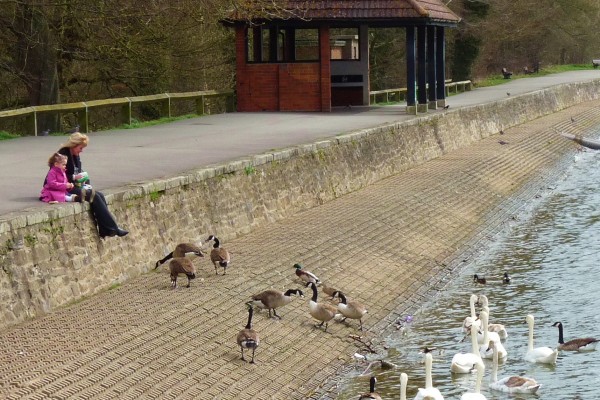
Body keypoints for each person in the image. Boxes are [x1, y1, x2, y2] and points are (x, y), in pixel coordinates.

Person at [57, 132, 128, 239]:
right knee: (93, 195)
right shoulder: (63, 156)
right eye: (80, 148)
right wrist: (75, 178)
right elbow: (60, 176)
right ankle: (113, 228)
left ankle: (105, 229)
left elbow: (78, 171)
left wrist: (84, 179)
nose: (81, 150)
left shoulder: (75, 155)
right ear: (74, 145)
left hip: (74, 185)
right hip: (64, 188)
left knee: (99, 195)